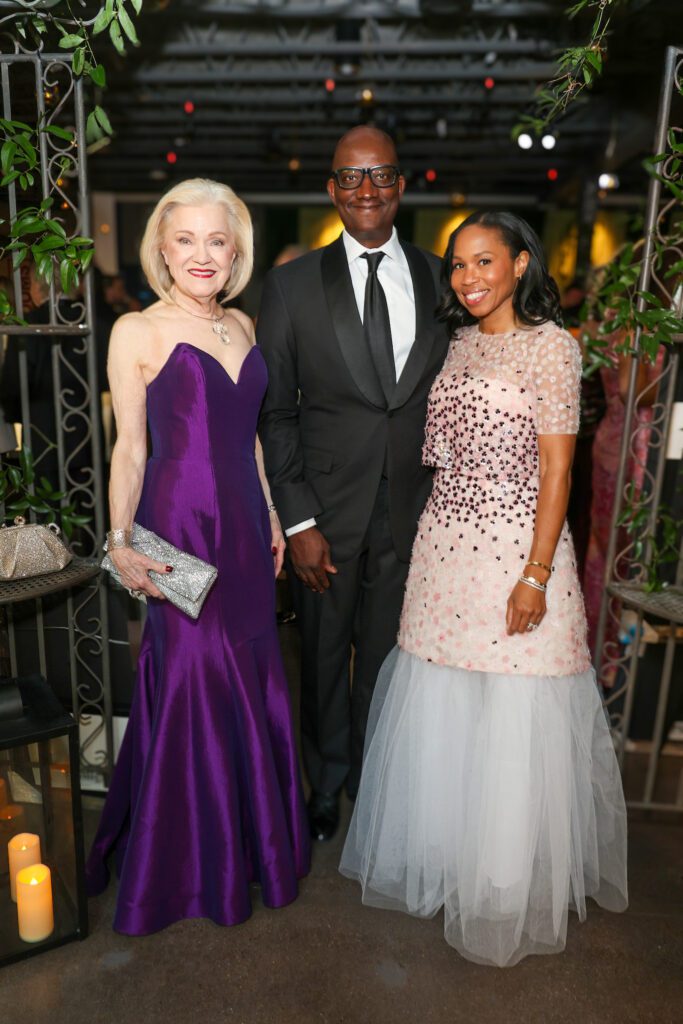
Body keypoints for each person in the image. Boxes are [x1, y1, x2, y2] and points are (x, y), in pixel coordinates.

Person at [340, 211, 628, 967]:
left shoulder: (552, 349)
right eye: (457, 265)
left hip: (513, 550)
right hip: (445, 549)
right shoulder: (458, 345)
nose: (467, 277)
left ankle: (501, 883)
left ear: (521, 265)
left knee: (513, 711)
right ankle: (448, 860)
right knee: (446, 708)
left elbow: (560, 475)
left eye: (483, 262)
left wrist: (534, 574)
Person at [86, 178, 310, 935]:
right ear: (160, 248)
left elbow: (247, 437)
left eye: (217, 240)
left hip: (246, 531)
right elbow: (129, 448)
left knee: (250, 675)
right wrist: (119, 542)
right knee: (188, 681)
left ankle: (246, 851)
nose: (201, 254)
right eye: (185, 239)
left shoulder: (244, 325)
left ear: (237, 249)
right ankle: (178, 869)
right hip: (179, 530)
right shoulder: (135, 331)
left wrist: (275, 516)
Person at [257, 126, 449, 841]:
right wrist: (298, 521)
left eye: (380, 175)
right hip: (325, 517)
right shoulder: (291, 285)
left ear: (401, 185)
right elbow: (276, 415)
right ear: (330, 189)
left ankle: (379, 785)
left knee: (391, 661)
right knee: (321, 661)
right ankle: (325, 785)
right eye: (350, 177)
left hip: (415, 510)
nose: (365, 190)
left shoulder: (440, 279)